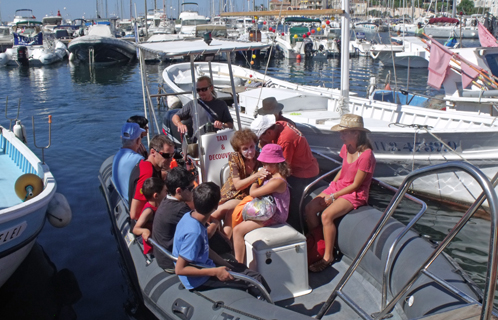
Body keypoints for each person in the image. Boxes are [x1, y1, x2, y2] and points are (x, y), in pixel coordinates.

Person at [304, 114, 376, 273]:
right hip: (340, 187)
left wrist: (333, 196)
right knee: (310, 208)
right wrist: (332, 185)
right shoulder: (346, 147)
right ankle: (320, 243)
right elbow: (343, 170)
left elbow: (357, 185)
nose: (340, 135)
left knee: (326, 216)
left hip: (355, 194)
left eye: (344, 132)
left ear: (356, 133)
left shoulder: (366, 155)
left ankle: (327, 256)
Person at [173, 182, 270, 297]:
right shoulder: (195, 232)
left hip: (206, 267)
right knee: (254, 281)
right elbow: (180, 269)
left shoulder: (190, 217)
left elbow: (205, 249)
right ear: (215, 207)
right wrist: (215, 271)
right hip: (200, 281)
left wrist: (226, 264)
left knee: (241, 268)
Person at [250, 114, 319, 230]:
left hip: (302, 173)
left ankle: (297, 231)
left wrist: (259, 178)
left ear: (269, 133)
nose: (260, 141)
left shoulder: (285, 141)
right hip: (300, 167)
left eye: (261, 138)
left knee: (293, 207)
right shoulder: (280, 124)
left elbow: (282, 169)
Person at [232, 144, 291, 264]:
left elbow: (253, 192)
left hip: (274, 215)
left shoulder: (278, 181)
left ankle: (239, 264)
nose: (263, 167)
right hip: (268, 210)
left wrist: (257, 180)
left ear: (275, 164)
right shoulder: (273, 176)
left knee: (238, 230)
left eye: (265, 164)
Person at [210, 129, 269, 238]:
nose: (250, 151)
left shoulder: (260, 158)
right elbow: (237, 185)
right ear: (239, 150)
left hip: (248, 196)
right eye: (245, 149)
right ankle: (212, 237)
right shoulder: (234, 158)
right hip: (232, 193)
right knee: (221, 213)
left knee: (225, 211)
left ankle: (224, 245)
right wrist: (256, 175)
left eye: (251, 146)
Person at [152, 166, 197, 272]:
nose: (193, 191)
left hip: (163, 255)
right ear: (179, 191)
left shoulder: (166, 201)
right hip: (171, 261)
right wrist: (215, 223)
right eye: (191, 189)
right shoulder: (180, 210)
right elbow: (201, 232)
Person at [128, 135, 175, 220]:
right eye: (167, 155)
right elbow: (135, 214)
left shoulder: (148, 165)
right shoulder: (147, 174)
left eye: (172, 155)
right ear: (153, 152)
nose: (171, 159)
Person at [112, 122, 145, 202]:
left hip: (122, 199)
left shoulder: (117, 156)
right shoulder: (139, 159)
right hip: (131, 203)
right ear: (138, 141)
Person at [132, 177, 167, 254]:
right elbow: (135, 229)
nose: (167, 194)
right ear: (156, 196)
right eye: (165, 191)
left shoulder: (158, 204)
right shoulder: (148, 211)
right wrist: (145, 230)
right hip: (153, 245)